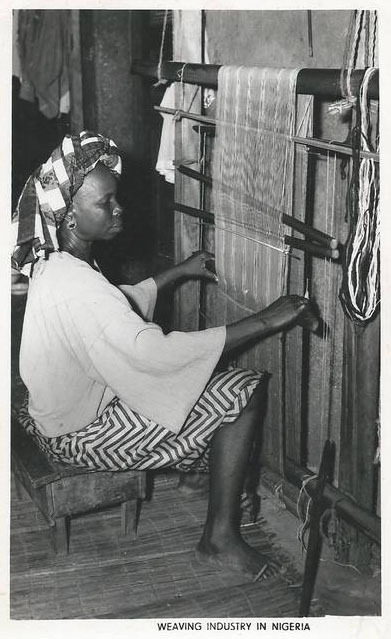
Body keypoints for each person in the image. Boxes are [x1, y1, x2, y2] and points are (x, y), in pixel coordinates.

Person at [12, 131, 317, 580]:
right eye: (106, 203)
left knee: (195, 385)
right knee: (243, 392)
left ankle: (198, 478)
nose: (120, 210)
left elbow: (116, 304)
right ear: (70, 214)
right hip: (79, 435)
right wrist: (265, 321)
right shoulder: (73, 283)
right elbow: (149, 353)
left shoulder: (58, 262)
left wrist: (180, 271)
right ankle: (219, 539)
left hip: (51, 415)